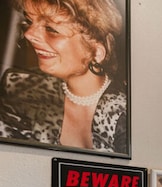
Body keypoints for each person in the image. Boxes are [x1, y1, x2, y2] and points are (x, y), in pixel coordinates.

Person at [0, 0, 127, 154]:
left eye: (51, 29)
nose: (29, 34)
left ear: (96, 52)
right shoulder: (21, 90)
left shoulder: (126, 112)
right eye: (29, 21)